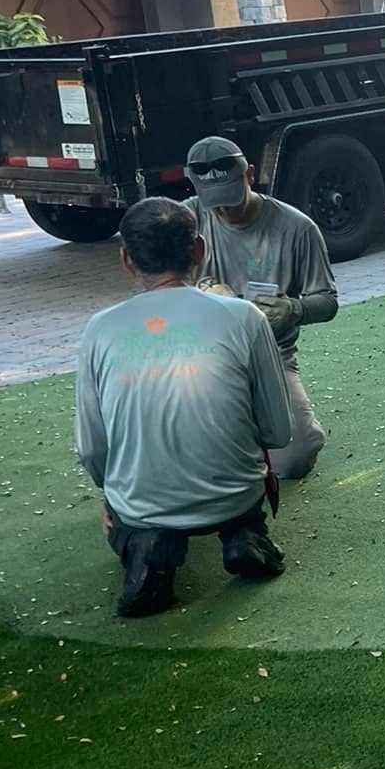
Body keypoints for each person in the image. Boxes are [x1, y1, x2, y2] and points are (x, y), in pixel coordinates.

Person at [75, 197, 292, 619]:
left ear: (126, 260)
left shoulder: (98, 331)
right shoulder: (245, 317)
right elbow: (278, 431)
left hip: (141, 503)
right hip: (235, 493)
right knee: (243, 490)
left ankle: (146, 547)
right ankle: (244, 533)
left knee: (132, 510)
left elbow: (90, 449)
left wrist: (115, 497)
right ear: (199, 251)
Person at [185, 135, 337, 480]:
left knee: (294, 460)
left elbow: (327, 301)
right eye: (215, 203)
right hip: (203, 355)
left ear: (250, 175)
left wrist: (294, 309)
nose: (224, 210)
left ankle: (285, 429)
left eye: (230, 199)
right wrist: (206, 293)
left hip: (270, 355)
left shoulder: (297, 228)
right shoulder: (187, 218)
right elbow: (160, 288)